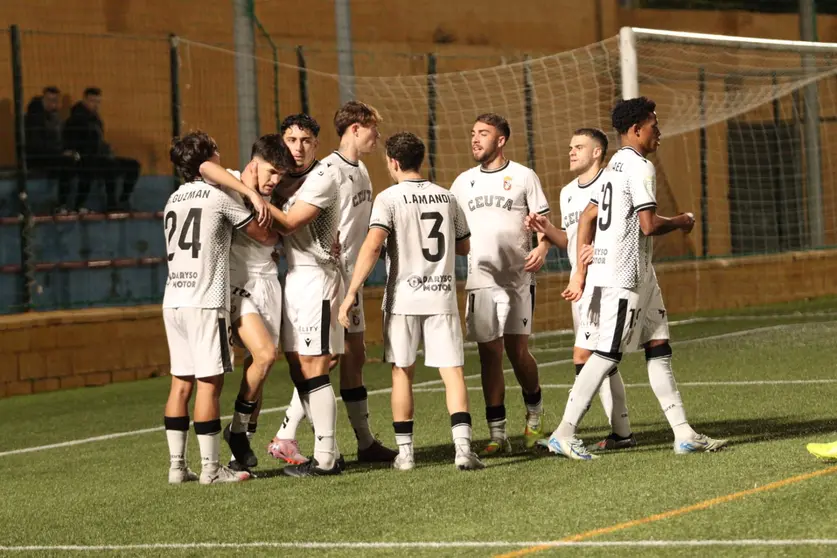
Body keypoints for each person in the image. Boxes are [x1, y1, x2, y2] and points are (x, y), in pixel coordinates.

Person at [543, 97, 728, 460]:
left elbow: (587, 217)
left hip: (641, 278)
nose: (659, 132)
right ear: (636, 130)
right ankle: (563, 432)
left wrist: (583, 265)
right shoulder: (640, 166)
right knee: (606, 354)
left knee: (659, 348)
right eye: (654, 126)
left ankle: (683, 433)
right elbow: (648, 224)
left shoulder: (613, 167)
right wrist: (681, 221)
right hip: (621, 277)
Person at [338, 131, 483, 471]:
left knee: (402, 373)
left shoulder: (388, 199)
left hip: (403, 298)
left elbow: (373, 246)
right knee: (453, 373)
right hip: (441, 297)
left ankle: (406, 455)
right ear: (421, 160)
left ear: (393, 162)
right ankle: (463, 450)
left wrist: (350, 293)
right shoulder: (446, 198)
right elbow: (464, 246)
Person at [267, 103, 397, 464]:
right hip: (323, 279)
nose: (378, 136)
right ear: (356, 128)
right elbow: (290, 218)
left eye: (304, 140)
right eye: (374, 128)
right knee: (324, 360)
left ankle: (366, 442)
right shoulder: (328, 172)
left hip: (347, 279)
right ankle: (287, 435)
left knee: (353, 357)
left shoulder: (362, 171)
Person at [161, 131, 271, 485]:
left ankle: (177, 467)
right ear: (207, 161)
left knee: (181, 384)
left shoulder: (173, 200)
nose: (222, 155)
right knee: (210, 382)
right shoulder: (216, 198)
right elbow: (260, 233)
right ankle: (211, 468)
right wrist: (252, 195)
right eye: (215, 151)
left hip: (173, 300)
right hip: (205, 300)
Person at [525, 128, 635, 452]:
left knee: (585, 354)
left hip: (602, 281)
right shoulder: (567, 191)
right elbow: (571, 240)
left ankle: (568, 429)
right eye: (570, 146)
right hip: (580, 283)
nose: (571, 152)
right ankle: (622, 431)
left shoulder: (610, 183)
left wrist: (593, 256)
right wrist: (549, 231)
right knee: (604, 357)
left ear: (598, 152)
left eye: (579, 147)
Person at [449, 113, 551, 456]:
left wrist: (542, 246)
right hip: (479, 279)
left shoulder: (524, 176)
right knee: (488, 355)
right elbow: (451, 226)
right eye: (473, 133)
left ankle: (534, 414)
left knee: (517, 352)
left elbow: (543, 223)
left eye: (483, 133)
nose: (475, 139)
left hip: (518, 279)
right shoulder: (462, 182)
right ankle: (497, 433)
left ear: (501, 139)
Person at [197, 134, 296, 472]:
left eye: (280, 176)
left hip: (268, 282)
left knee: (260, 366)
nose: (273, 181)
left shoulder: (275, 196)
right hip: (237, 283)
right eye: (269, 173)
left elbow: (277, 232)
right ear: (253, 164)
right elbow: (205, 165)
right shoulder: (232, 182)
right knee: (266, 353)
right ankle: (236, 432)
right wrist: (249, 191)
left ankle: (241, 449)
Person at [265, 120, 346, 477]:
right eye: (291, 140)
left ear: (316, 145)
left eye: (306, 141)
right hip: (293, 279)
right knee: (299, 367)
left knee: (317, 365)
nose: (298, 147)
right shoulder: (278, 177)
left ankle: (326, 458)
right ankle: (330, 450)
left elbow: (289, 223)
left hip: (319, 277)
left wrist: (253, 194)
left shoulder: (324, 176)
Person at [64, 87, 140, 212]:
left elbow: (98, 142)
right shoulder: (75, 119)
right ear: (84, 100)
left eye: (98, 102)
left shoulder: (95, 119)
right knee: (109, 166)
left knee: (133, 165)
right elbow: (73, 142)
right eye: (92, 101)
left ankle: (123, 201)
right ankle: (112, 204)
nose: (95, 105)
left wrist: (106, 149)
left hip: (98, 157)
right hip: (84, 159)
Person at [24, 86, 79, 214]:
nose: (52, 103)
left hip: (51, 155)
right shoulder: (34, 118)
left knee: (73, 160)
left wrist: (68, 150)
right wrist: (60, 153)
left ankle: (69, 204)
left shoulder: (55, 118)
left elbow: (60, 140)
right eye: (49, 100)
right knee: (67, 163)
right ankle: (62, 204)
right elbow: (35, 145)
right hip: (36, 157)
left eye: (55, 100)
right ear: (43, 99)